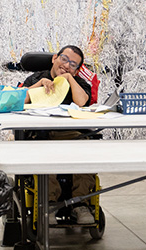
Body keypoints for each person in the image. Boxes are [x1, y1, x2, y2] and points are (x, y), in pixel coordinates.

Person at [20, 45, 96, 225]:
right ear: (55, 58)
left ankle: (80, 203)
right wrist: (39, 85)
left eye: (73, 64)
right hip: (39, 131)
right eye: (64, 59)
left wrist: (69, 79)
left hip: (68, 133)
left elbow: (81, 101)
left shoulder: (78, 83)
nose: (66, 65)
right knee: (44, 151)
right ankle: (49, 204)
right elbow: (19, 100)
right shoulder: (36, 77)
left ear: (77, 70)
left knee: (86, 149)